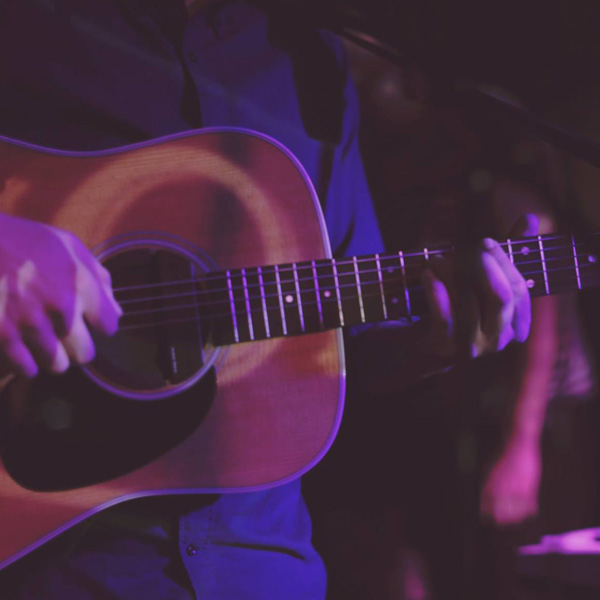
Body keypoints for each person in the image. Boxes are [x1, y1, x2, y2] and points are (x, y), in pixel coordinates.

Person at [0, 1, 533, 598]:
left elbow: (346, 344)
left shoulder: (309, 59)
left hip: (259, 566)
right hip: (53, 566)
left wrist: (433, 339)